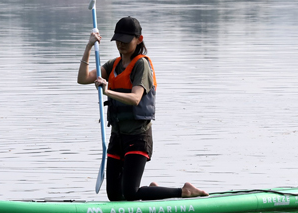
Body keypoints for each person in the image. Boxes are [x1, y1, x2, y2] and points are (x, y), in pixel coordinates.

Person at [78, 16, 208, 201]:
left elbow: (136, 98)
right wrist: (89, 46)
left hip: (138, 136)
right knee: (114, 196)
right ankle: (153, 190)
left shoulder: (141, 65)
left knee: (130, 193)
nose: (121, 44)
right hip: (117, 136)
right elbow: (82, 79)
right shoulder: (112, 65)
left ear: (139, 39)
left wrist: (107, 91)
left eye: (125, 40)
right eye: (118, 40)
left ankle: (184, 191)